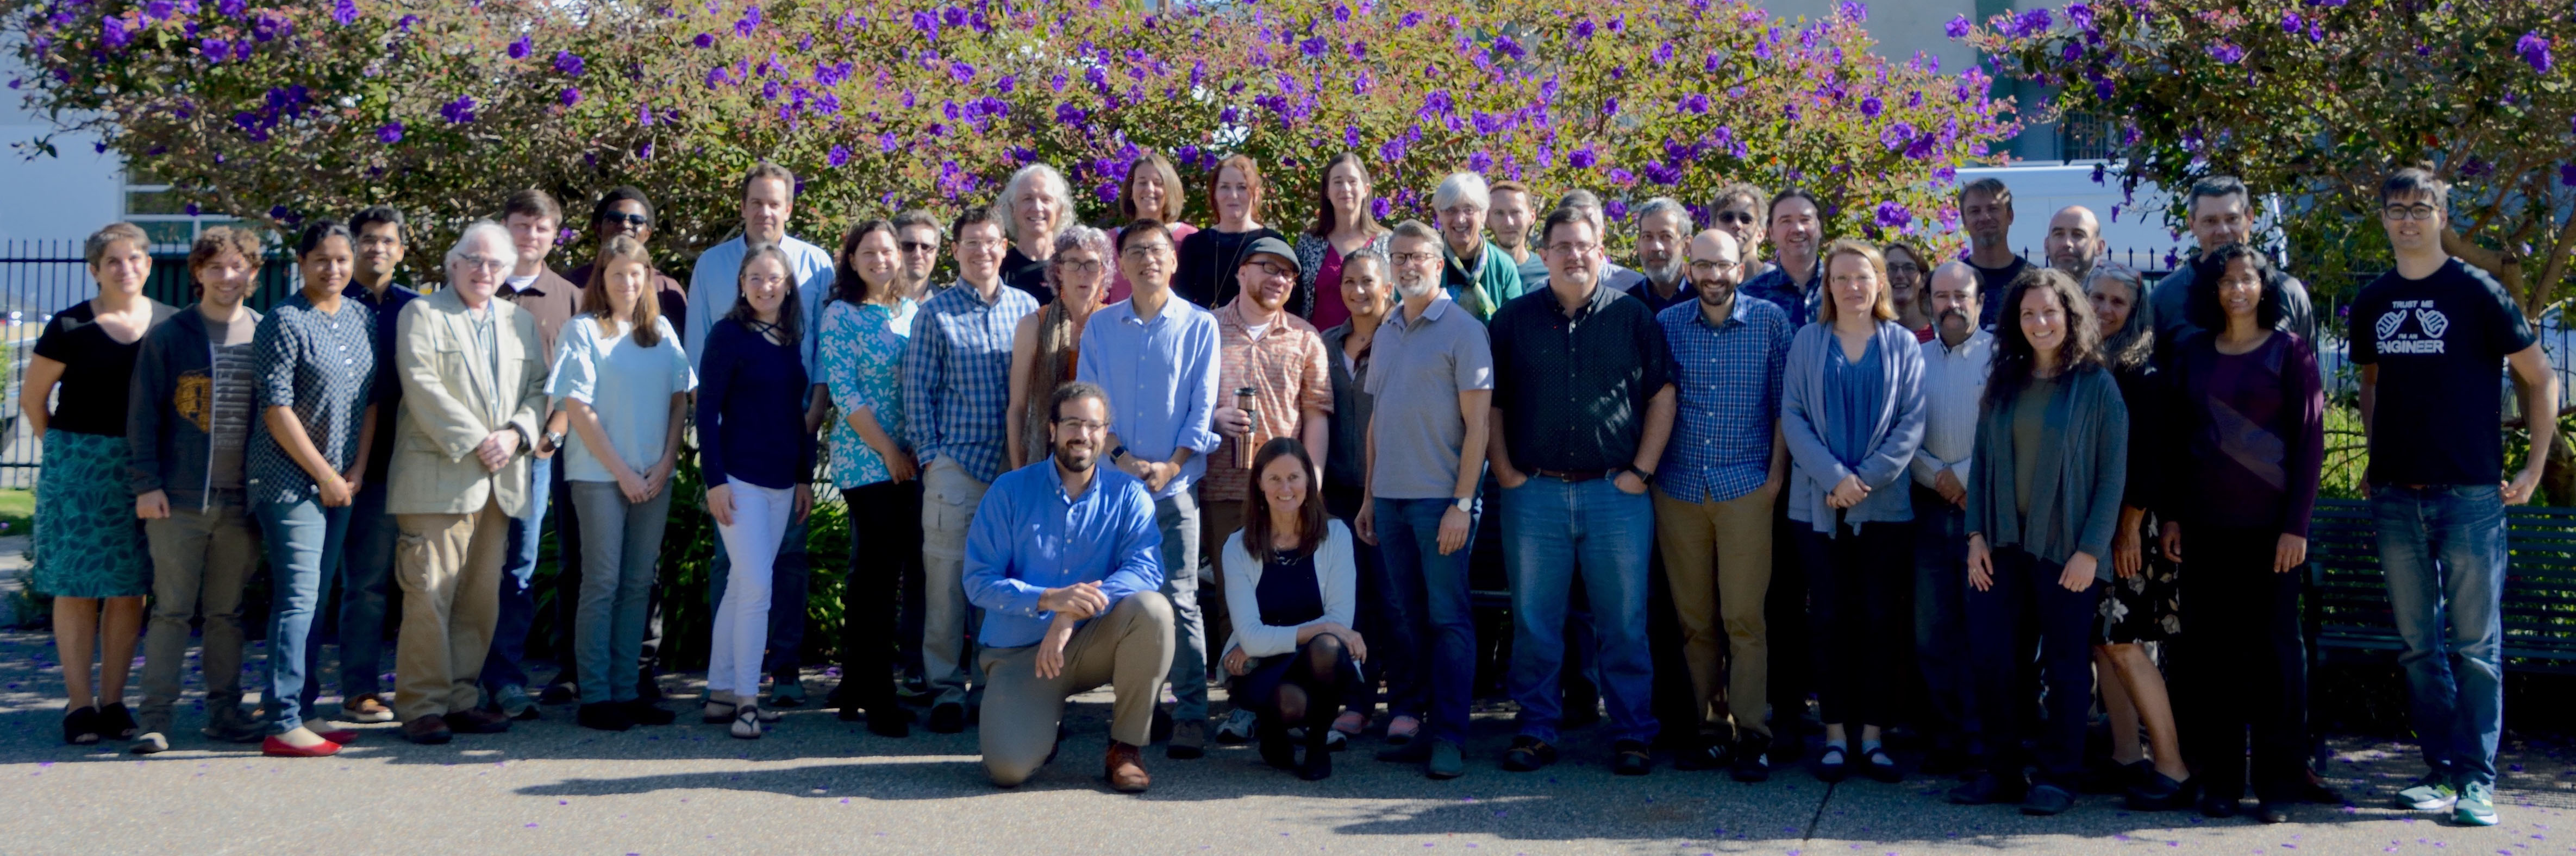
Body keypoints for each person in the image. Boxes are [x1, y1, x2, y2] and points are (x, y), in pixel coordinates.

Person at [2353, 168, 2555, 828]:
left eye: (2421, 208)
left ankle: (2476, 781)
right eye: (2397, 209)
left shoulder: (2477, 291)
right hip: (2395, 498)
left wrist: (2533, 467)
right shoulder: (2374, 300)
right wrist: (2376, 456)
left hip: (2470, 496)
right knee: (2419, 647)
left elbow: (2541, 377)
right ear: (2383, 218)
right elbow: (2372, 383)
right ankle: (2440, 770)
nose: (2408, 220)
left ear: (2443, 216)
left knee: (2475, 646)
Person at [1487, 207, 1674, 776]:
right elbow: (1491, 403)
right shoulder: (1513, 321)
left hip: (1615, 494)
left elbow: (1662, 396)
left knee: (1624, 622)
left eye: (1584, 245)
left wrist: (1641, 471)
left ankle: (1633, 732)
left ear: (1601, 252)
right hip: (1534, 493)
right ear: (1544, 254)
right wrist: (1504, 470)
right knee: (1535, 622)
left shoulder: (1633, 317)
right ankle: (1536, 728)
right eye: (1563, 246)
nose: (1574, 255)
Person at [1949, 267, 2129, 816]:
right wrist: (1975, 536)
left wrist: (2091, 551)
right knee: (1995, 660)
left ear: (2070, 316)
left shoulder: (2096, 385)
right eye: (2028, 313)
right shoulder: (2005, 380)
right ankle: (2003, 771)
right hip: (2001, 546)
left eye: (2050, 311)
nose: (2040, 322)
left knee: (2066, 667)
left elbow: (2112, 476)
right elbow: (1982, 464)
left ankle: (2058, 777)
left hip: (2068, 551)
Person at [2160, 243, 2325, 822]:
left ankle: (2278, 783)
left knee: (2276, 658)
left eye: (2247, 279)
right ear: (2211, 290)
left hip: (2273, 535)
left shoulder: (2290, 351)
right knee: (2213, 658)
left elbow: (2311, 443)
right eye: (2226, 281)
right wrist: (2173, 515)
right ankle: (2223, 781)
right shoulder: (2193, 353)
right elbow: (2178, 440)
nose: (2237, 289)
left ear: (2264, 286)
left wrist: (2296, 526)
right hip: (2205, 531)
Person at [966, 382, 1174, 792]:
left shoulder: (1128, 495)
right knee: (1008, 770)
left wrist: (1071, 613)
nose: (1083, 435)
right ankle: (1044, 730)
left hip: (1090, 643)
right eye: (1073, 424)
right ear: (1052, 429)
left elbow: (1146, 568)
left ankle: (1125, 748)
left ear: (1105, 433)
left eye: (1093, 426)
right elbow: (979, 581)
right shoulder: (1009, 491)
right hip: (1021, 655)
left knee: (1152, 611)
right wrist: (1048, 599)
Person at [387, 220, 548, 746]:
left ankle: (461, 698)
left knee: (478, 600)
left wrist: (517, 433)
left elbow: (540, 388)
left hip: (499, 480)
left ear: (508, 271)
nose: (484, 270)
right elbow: (422, 384)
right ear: (453, 263)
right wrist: (483, 439)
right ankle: (422, 705)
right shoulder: (422, 314)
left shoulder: (519, 322)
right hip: (439, 477)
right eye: (474, 260)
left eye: (496, 263)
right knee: (429, 594)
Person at [1780, 238, 1927, 785]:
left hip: (1884, 508)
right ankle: (1836, 735)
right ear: (1828, 286)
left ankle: (1873, 737)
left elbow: (1911, 422)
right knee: (1828, 619)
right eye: (1840, 277)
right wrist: (1835, 479)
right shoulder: (1808, 340)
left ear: (1879, 283)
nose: (1852, 286)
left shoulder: (1902, 343)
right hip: (1815, 508)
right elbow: (1793, 416)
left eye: (1862, 276)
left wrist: (1863, 481)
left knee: (1880, 622)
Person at [687, 164, 834, 710]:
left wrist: (814, 415)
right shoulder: (713, 265)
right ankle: (735, 689)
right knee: (737, 571)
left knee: (788, 559)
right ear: (743, 205)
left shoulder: (816, 263)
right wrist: (714, 468)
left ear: (789, 208)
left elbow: (820, 346)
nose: (765, 211)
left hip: (794, 437)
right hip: (738, 448)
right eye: (756, 202)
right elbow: (701, 355)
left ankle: (783, 669)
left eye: (775, 203)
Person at [1077, 219, 1223, 750]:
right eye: (1135, 251)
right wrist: (1121, 457)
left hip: (1175, 489)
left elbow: (1202, 407)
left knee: (1180, 597)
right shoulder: (1101, 327)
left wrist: (1172, 466)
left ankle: (1192, 711)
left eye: (1157, 250)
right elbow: (1090, 406)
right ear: (1122, 264)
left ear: (1174, 259)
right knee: (1122, 597)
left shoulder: (1199, 325)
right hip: (1113, 491)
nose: (1147, 259)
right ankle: (1141, 706)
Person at [1653, 228, 1793, 781]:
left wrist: (1774, 478)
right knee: (1695, 621)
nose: (1714, 275)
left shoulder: (1770, 323)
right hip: (1680, 490)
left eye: (1724, 265)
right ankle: (1712, 729)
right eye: (1704, 265)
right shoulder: (1667, 325)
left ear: (1741, 267)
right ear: (1690, 269)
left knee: (1744, 619)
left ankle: (1753, 734)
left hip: (1745, 489)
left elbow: (1784, 407)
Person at [27, 223, 172, 747]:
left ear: (148, 265)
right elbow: (33, 400)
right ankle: (78, 704)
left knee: (129, 587)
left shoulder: (170, 324)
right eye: (113, 261)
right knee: (75, 587)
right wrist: (66, 454)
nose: (125, 268)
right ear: (95, 270)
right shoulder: (69, 325)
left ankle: (113, 702)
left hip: (144, 470)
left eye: (134, 259)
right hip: (78, 468)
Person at [1360, 221, 1493, 778]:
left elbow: (1479, 426)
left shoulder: (1464, 330)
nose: (1408, 265)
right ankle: (1424, 729)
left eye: (1418, 256)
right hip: (1390, 502)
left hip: (1440, 504)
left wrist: (1462, 503)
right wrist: (1369, 497)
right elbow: (1377, 421)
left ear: (1439, 264)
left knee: (1448, 621)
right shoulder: (1388, 328)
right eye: (1399, 257)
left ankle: (1451, 738)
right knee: (1409, 621)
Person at [125, 226, 266, 753]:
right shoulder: (170, 335)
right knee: (172, 611)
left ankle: (225, 713)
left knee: (227, 613)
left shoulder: (265, 332)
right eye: (215, 267)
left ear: (253, 273)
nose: (227, 276)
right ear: (198, 273)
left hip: (242, 500)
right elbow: (142, 416)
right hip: (179, 500)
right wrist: (147, 484)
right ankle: (155, 719)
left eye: (237, 266)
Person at [903, 205, 1043, 733]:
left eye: (991, 242)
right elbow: (917, 392)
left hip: (1011, 471)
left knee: (1001, 585)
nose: (982, 251)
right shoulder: (935, 314)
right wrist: (932, 457)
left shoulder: (1026, 309)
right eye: (971, 242)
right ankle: (945, 688)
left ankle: (991, 686)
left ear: (1004, 248)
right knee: (944, 586)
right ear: (956, 251)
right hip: (955, 468)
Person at [1195, 232, 1334, 759]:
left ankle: (1287, 702)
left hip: (1287, 493)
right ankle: (1243, 703)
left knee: (1288, 597)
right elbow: (1184, 400)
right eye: (1267, 268)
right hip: (1222, 486)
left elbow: (1316, 415)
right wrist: (1213, 418)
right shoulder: (1205, 329)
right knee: (1233, 599)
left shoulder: (1305, 338)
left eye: (1287, 273)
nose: (1277, 279)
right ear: (1241, 272)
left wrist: (1311, 483)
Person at [552, 187, 690, 705]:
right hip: (598, 476)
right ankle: (596, 695)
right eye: (617, 275)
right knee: (602, 582)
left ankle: (627, 690)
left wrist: (667, 460)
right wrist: (624, 473)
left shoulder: (662, 333)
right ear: (602, 279)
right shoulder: (583, 331)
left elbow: (679, 400)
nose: (628, 283)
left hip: (654, 475)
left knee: (637, 584)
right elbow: (578, 409)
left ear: (647, 278)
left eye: (636, 274)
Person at [245, 220, 376, 757]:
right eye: (321, 259)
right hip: (289, 481)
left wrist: (356, 469)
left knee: (318, 597)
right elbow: (276, 408)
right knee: (298, 598)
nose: (333, 268)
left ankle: (302, 709)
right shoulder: (284, 320)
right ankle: (281, 720)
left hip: (343, 481)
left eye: (342, 259)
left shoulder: (362, 317)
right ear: (301, 263)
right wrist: (324, 474)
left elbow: (371, 400)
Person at [697, 242, 818, 739]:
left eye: (774, 278)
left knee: (740, 587)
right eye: (756, 278)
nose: (765, 286)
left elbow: (795, 416)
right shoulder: (728, 335)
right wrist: (715, 481)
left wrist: (805, 476)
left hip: (782, 483)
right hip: (740, 481)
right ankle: (748, 701)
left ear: (788, 286)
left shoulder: (790, 338)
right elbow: (706, 411)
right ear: (742, 284)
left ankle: (721, 692)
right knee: (757, 589)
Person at [2081, 264, 2190, 809]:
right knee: (2103, 642)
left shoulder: (2142, 373)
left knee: (2124, 642)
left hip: (2130, 526)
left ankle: (2172, 766)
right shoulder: (2085, 364)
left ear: (2135, 310)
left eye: (2117, 302)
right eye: (2097, 297)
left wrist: (2127, 530)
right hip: (2095, 526)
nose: (2104, 309)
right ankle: (2127, 757)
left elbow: (2151, 464)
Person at [820, 219, 925, 737]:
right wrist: (888, 452)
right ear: (852, 260)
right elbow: (845, 392)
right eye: (869, 252)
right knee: (880, 577)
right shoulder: (841, 315)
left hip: (911, 457)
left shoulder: (913, 312)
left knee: (881, 575)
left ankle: (856, 684)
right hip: (867, 460)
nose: (881, 259)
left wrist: (913, 450)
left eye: (888, 251)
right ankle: (880, 699)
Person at [485, 188, 580, 721]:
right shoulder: (480, 283)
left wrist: (555, 434)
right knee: (465, 567)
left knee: (518, 568)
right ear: (505, 226)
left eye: (542, 227)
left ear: (554, 235)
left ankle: (505, 679)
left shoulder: (569, 297)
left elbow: (578, 379)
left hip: (534, 455)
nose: (531, 236)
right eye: (522, 225)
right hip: (473, 451)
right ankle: (458, 678)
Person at [1220, 438, 1366, 781]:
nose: (1285, 489)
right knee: (1290, 704)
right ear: (1259, 483)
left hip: (1315, 661)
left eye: (1294, 478)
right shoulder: (1237, 546)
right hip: (1259, 665)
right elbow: (1251, 638)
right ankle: (1272, 732)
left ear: (1309, 482)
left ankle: (1317, 745)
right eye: (1275, 479)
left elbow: (1340, 620)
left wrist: (1326, 632)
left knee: (1328, 647)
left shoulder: (1336, 535)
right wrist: (1322, 628)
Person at [337, 205, 420, 723]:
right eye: (368, 239)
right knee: (356, 586)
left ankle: (418, 689)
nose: (377, 248)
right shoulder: (329, 301)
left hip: (404, 461)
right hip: (333, 463)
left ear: (402, 251)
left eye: (388, 241)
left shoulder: (416, 309)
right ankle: (355, 689)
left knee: (408, 584)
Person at [1308, 244, 1392, 747]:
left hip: (1392, 491)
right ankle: (1357, 704)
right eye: (1349, 282)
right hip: (1338, 493)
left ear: (1387, 287)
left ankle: (1406, 704)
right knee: (1352, 603)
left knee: (1394, 601)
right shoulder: (1324, 343)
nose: (1358, 291)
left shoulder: (1402, 338)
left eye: (1367, 281)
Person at [1910, 261, 1991, 775]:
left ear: (1980, 302)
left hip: (1983, 512)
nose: (1951, 305)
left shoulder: (2004, 356)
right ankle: (1943, 740)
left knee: (1980, 631)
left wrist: (1961, 476)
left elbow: (2003, 430)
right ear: (1929, 303)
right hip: (1928, 510)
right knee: (1932, 631)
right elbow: (1901, 433)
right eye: (1942, 296)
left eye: (1962, 295)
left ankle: (1981, 742)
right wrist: (1937, 475)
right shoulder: (1913, 359)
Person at [2148, 176, 2318, 350]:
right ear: (2192, 225)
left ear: (2250, 218)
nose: (2223, 231)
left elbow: (2306, 363)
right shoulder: (2165, 299)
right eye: (2210, 221)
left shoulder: (2288, 293)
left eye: (2232, 219)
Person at [1007, 226, 1112, 469]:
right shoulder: (1034, 325)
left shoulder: (1116, 325)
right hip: (1044, 457)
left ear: (1104, 272)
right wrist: (1019, 472)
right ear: (1058, 270)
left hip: (1104, 460)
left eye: (1092, 264)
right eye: (1073, 263)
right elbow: (1017, 409)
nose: (1083, 273)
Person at [560, 186, 691, 333]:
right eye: (615, 219)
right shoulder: (570, 285)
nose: (625, 225)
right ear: (598, 229)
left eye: (636, 221)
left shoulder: (666, 289)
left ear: (648, 234)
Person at [1174, 154, 1289, 311]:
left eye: (1242, 187)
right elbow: (1182, 303)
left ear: (1255, 194)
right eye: (1225, 187)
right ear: (1214, 194)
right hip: (1205, 325)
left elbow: (1287, 303)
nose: (1233, 195)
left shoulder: (1274, 243)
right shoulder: (1195, 244)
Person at [1295, 152, 1391, 330]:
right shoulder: (1309, 244)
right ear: (1327, 191)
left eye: (1352, 181)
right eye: (1338, 182)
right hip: (1317, 344)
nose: (1345, 189)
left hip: (1375, 344)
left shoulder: (1387, 243)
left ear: (1366, 189)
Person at [1105, 153, 1196, 305]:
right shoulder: (1109, 241)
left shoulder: (1190, 238)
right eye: (1142, 182)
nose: (1149, 189)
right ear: (1131, 190)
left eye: (1158, 183)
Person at [1434, 172, 1524, 320]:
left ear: (1483, 215)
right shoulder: (1426, 262)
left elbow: (1516, 323)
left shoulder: (1503, 266)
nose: (1460, 219)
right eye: (1451, 210)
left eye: (1468, 210)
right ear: (1439, 215)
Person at [1740, 188, 1826, 328]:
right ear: (1771, 232)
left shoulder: (1844, 288)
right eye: (1786, 221)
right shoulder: (1748, 298)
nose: (1798, 229)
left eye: (1805, 220)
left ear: (1820, 227)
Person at [998, 163, 1076, 305]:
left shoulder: (1072, 267)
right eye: (1028, 199)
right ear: (1012, 209)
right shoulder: (1000, 268)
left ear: (1059, 210)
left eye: (1046, 199)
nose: (1037, 208)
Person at [1958, 178, 2030, 328]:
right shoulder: (1954, 281)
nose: (1985, 217)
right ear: (1964, 221)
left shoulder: (2032, 278)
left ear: (2010, 216)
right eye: (1975, 211)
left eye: (1993, 209)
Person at [1623, 198, 1696, 314]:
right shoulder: (1628, 305)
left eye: (1666, 236)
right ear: (1638, 244)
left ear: (1686, 245)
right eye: (1648, 237)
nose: (1656, 247)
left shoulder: (1703, 298)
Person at [1712, 182, 1775, 281]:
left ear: (1761, 234)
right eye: (1727, 218)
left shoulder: (1780, 284)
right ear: (1712, 229)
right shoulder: (1700, 283)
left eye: (1746, 219)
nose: (1736, 225)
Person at [1487, 180, 1546, 286]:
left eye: (1516, 213)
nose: (1508, 223)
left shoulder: (1548, 273)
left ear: (1532, 216)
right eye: (1499, 213)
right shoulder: (1479, 272)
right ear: (1487, 219)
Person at [1883, 241, 1935, 342]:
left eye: (1909, 268)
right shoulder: (1871, 338)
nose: (1900, 275)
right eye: (1891, 268)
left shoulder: (1943, 335)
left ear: (1923, 279)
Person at [893, 209, 948, 304]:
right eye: (909, 246)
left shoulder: (948, 306)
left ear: (936, 252)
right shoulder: (872, 305)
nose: (918, 254)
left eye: (926, 247)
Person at [2044, 205, 2108, 284]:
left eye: (2078, 235)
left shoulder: (2112, 290)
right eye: (2059, 234)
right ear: (2046, 246)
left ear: (2099, 247)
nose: (2067, 243)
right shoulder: (2032, 290)